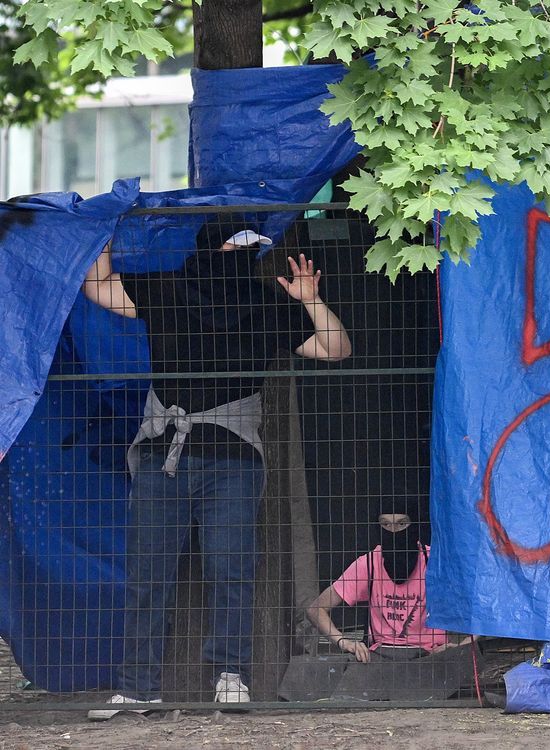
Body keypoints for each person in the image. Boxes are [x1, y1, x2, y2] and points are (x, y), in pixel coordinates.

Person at [83, 218, 351, 720]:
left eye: (250, 248)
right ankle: (138, 688)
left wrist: (310, 298)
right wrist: (104, 227)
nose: (240, 257)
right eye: (235, 245)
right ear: (211, 247)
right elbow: (96, 285)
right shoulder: (165, 289)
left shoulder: (266, 304)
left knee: (232, 570)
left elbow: (336, 349)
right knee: (147, 574)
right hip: (163, 458)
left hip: (234, 463)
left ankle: (232, 676)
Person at [294, 500, 474, 700]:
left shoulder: (435, 562)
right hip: (380, 657)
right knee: (306, 675)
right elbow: (315, 609)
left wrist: (459, 646)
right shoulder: (369, 563)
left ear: (414, 526)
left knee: (466, 662)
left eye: (402, 524)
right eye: (386, 524)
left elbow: (483, 607)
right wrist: (344, 642)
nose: (394, 531)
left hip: (430, 657)